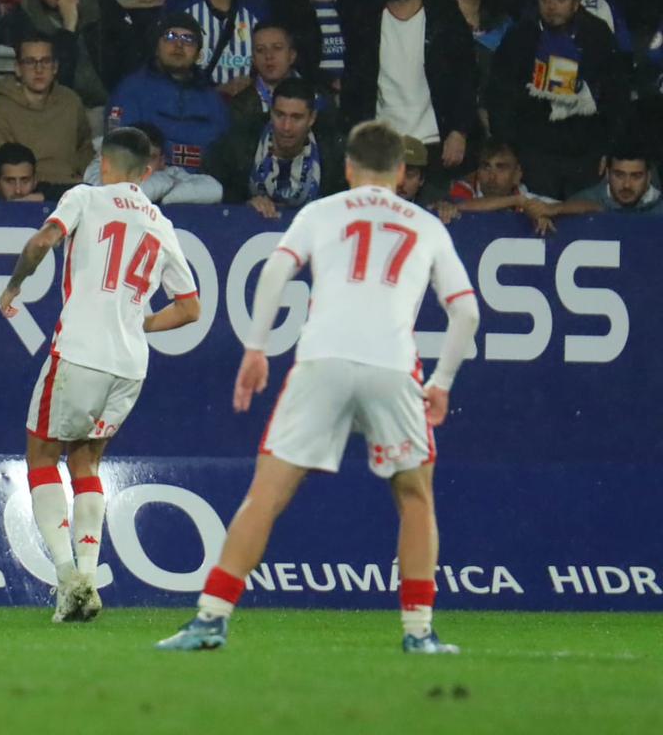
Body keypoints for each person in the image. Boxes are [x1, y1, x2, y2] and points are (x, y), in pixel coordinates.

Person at [157, 119, 481, 654]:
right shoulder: (425, 225)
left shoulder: (320, 212)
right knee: (415, 498)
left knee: (265, 495)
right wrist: (442, 381)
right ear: (402, 172)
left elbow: (275, 274)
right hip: (393, 368)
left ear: (348, 167)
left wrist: (257, 347)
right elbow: (466, 313)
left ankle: (211, 619)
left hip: (322, 361)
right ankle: (419, 631)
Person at [0, 127, 202, 622]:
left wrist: (14, 285)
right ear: (147, 172)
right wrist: (140, 322)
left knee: (42, 455)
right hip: (130, 365)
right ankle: (88, 576)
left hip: (80, 351)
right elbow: (190, 309)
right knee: (86, 463)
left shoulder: (84, 197)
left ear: (101, 164)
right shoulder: (160, 223)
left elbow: (43, 240)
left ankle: (68, 577)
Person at [341, 0, 476, 177]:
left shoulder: (444, 19)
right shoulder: (368, 19)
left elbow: (465, 78)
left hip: (435, 146)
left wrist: (459, 131)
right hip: (383, 147)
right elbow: (355, 85)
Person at [486, 0, 628, 199]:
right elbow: (500, 96)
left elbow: (616, 98)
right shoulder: (521, 36)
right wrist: (511, 148)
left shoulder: (597, 36)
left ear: (576, 3)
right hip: (533, 153)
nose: (551, 5)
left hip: (585, 154)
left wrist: (608, 150)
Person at [4, 0, 137, 110]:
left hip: (112, 104)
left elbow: (133, 55)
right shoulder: (24, 18)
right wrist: (69, 27)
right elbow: (52, 82)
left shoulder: (101, 2)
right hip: (59, 110)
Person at [105, 12, 231, 174]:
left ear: (198, 55)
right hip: (146, 180)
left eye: (188, 39)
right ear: (156, 48)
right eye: (170, 36)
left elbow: (226, 152)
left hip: (201, 185)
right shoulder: (130, 90)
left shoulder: (212, 99)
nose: (179, 44)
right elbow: (119, 146)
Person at [207, 76, 348, 212]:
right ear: (270, 112)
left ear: (311, 118)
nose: (286, 126)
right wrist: (244, 206)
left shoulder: (333, 152)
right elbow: (214, 195)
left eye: (296, 117)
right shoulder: (239, 144)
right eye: (279, 115)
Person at [0, 32, 94, 189]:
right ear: (18, 68)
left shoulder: (71, 101)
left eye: (45, 61)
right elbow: (2, 170)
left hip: (72, 191)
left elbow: (85, 149)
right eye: (30, 62)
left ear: (55, 67)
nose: (39, 69)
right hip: (25, 195)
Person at [436, 138, 570, 235]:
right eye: (486, 167)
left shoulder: (529, 199)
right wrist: (517, 200)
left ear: (517, 174)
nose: (492, 176)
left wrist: (552, 210)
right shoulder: (465, 190)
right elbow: (462, 205)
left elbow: (589, 207)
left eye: (501, 168)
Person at [83, 121, 224, 203]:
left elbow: (215, 189)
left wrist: (166, 196)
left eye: (150, 158)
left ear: (162, 161)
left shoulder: (169, 173)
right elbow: (122, 196)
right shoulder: (101, 166)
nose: (142, 165)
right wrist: (164, 186)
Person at [564, 140, 663, 216]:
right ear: (607, 173)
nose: (627, 185)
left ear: (649, 177)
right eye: (619, 175)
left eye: (636, 176)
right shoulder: (578, 203)